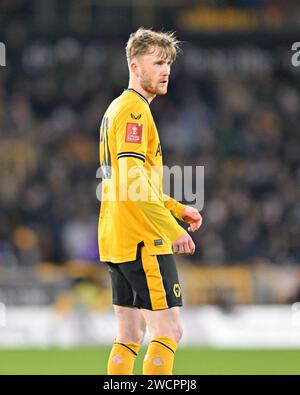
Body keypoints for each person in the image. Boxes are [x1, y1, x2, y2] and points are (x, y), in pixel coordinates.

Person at [98, 27, 202, 375]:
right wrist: (171, 227)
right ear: (134, 66)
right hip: (143, 239)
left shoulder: (116, 108)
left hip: (118, 238)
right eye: (157, 62)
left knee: (129, 335)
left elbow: (134, 180)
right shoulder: (135, 110)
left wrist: (177, 208)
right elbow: (131, 178)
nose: (165, 70)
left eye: (168, 62)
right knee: (169, 330)